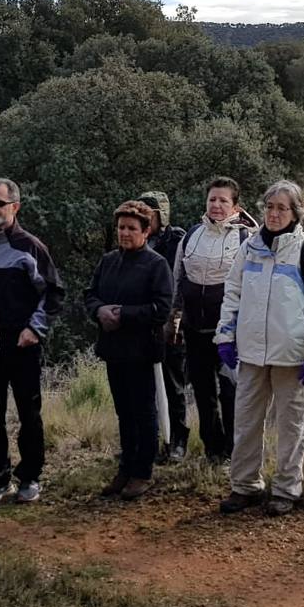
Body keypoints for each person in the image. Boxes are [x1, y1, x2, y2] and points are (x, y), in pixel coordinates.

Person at [215, 180, 304, 517]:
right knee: (246, 421)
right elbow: (232, 294)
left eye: (282, 207)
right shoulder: (249, 248)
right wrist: (225, 337)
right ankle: (245, 486)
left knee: (291, 425)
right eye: (269, 206)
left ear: (295, 212)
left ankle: (285, 490)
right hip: (251, 353)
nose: (274, 213)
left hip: (293, 357)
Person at [0, 177, 62, 507]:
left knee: (28, 412)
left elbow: (53, 293)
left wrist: (35, 329)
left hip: (23, 344)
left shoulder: (30, 247)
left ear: (15, 207)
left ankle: (30, 477)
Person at [84, 200, 176, 500]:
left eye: (131, 228)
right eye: (121, 227)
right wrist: (99, 311)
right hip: (113, 349)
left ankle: (142, 472)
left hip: (142, 349)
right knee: (124, 412)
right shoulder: (108, 260)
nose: (125, 233)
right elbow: (90, 295)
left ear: (146, 231)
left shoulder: (157, 265)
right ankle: (125, 466)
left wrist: (123, 314)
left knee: (144, 411)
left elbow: (161, 308)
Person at [176, 178, 253, 463]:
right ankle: (212, 449)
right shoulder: (192, 234)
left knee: (231, 391)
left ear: (235, 206)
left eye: (223, 201)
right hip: (195, 327)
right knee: (203, 389)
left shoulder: (247, 238)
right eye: (212, 200)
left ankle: (235, 451)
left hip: (231, 330)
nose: (216, 205)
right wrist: (175, 315)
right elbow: (178, 277)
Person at [137, 190, 192, 462]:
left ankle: (178, 441)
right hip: (143, 321)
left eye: (150, 212)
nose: (145, 217)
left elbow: (182, 281)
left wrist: (177, 318)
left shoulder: (178, 240)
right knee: (144, 387)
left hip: (172, 321)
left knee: (173, 384)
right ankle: (150, 441)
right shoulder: (137, 240)